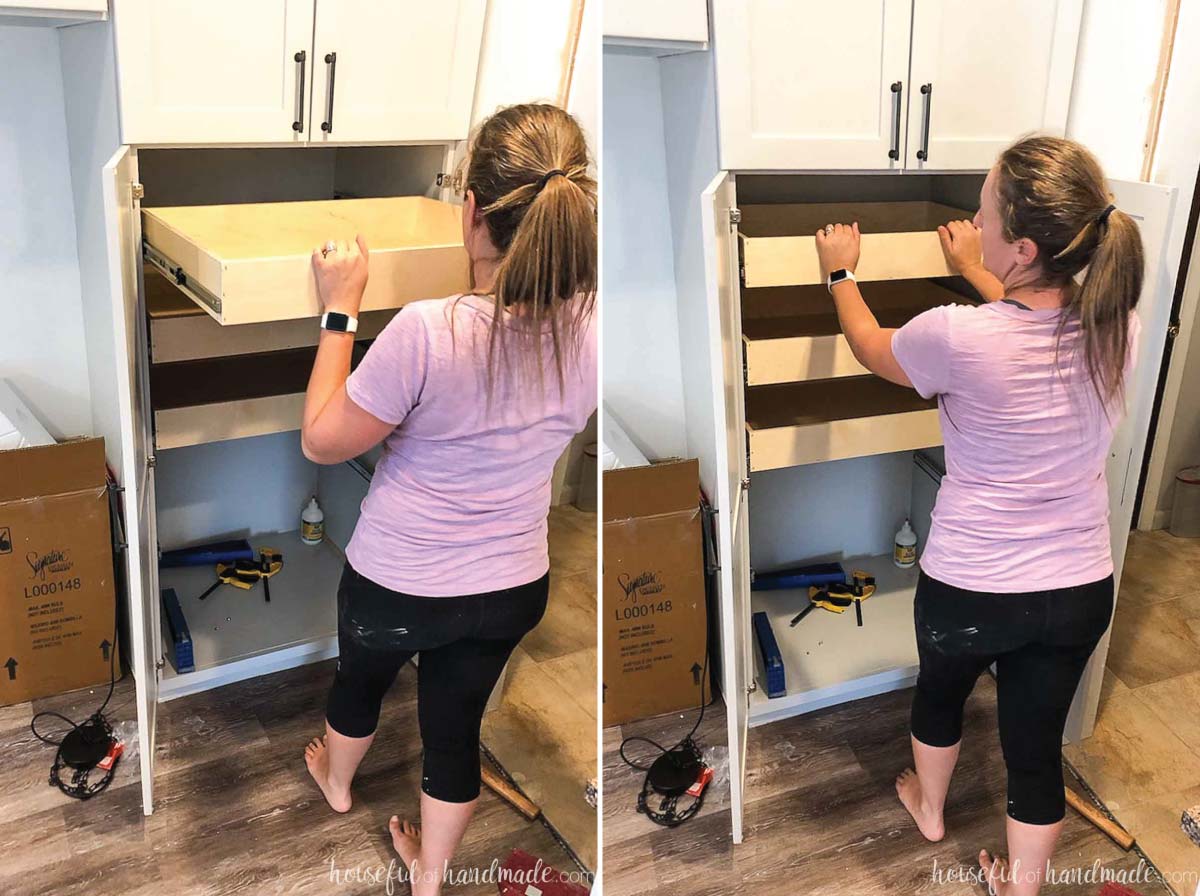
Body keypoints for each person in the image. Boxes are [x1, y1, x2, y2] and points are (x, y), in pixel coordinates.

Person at [813, 135, 1143, 896]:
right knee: (1034, 746)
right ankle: (1019, 889)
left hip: (972, 586)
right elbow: (1032, 330)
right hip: (1079, 589)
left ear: (1022, 248)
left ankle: (929, 808)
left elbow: (870, 346)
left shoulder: (952, 336)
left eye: (986, 214)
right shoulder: (1115, 328)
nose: (974, 220)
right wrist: (976, 269)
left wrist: (838, 268)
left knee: (940, 695)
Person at [297, 103, 596, 896]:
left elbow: (322, 440)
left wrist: (341, 307)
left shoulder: (429, 332)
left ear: (470, 210)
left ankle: (335, 781)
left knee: (360, 685)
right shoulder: (596, 326)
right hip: (511, 588)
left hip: (399, 582)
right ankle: (430, 877)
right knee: (453, 729)